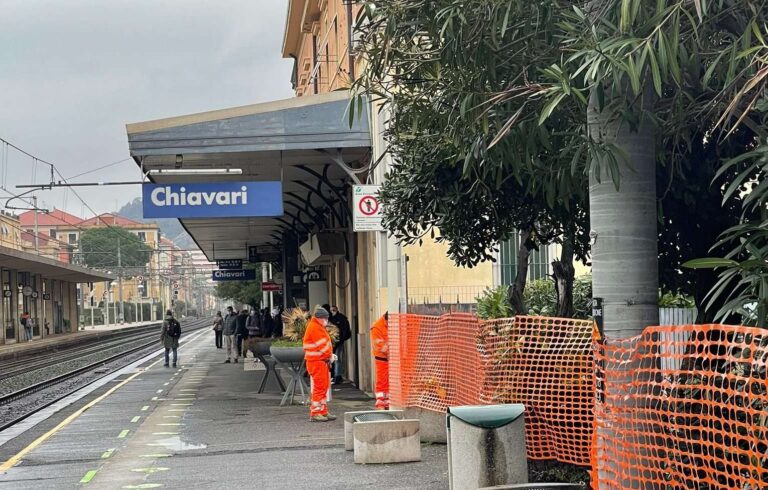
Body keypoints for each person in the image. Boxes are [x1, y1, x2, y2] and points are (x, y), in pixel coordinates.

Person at [303, 306, 337, 422]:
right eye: (326, 319)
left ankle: (322, 411)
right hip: (317, 362)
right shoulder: (316, 328)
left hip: (320, 361)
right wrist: (330, 355)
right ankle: (316, 412)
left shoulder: (317, 326)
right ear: (321, 318)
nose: (327, 321)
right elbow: (323, 346)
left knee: (323, 387)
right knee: (319, 387)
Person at [371, 312, 389, 410]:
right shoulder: (377, 327)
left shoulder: (388, 324)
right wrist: (392, 354)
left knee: (389, 382)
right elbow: (380, 346)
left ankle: (387, 402)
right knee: (382, 381)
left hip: (390, 359)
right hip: (382, 359)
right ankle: (380, 404)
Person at [329, 305, 352, 384]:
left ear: (337, 309)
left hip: (338, 342)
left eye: (333, 310)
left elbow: (345, 330)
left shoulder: (342, 318)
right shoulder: (330, 318)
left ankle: (337, 376)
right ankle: (333, 375)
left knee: (337, 358)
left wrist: (341, 340)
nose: (332, 311)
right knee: (333, 359)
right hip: (331, 342)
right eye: (331, 310)